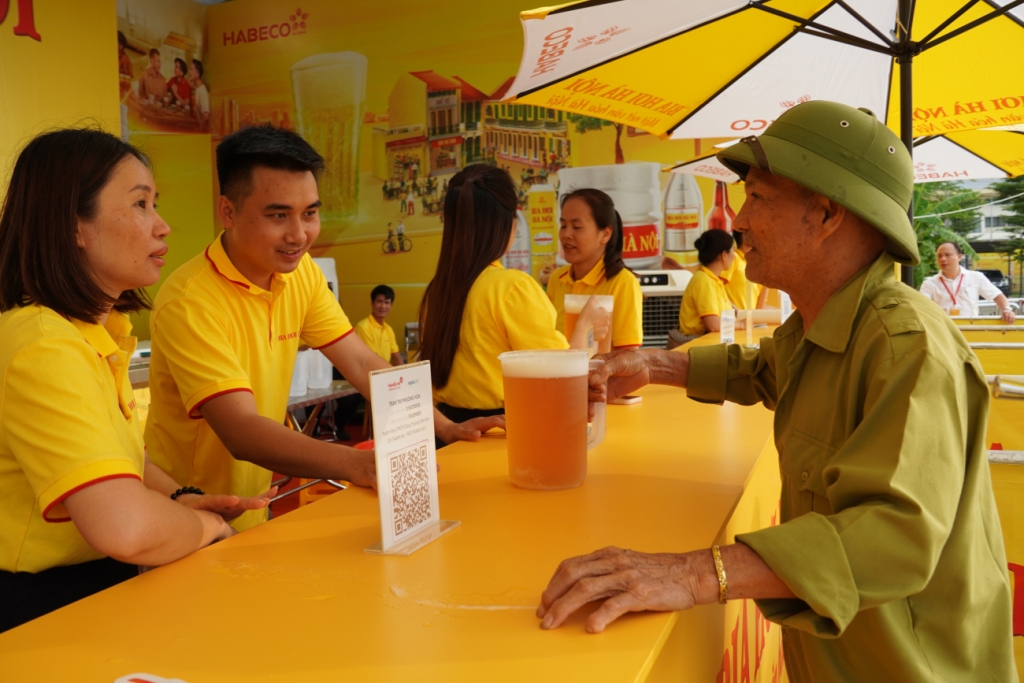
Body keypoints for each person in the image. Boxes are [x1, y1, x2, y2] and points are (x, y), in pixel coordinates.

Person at [537, 102, 1015, 682]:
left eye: (758, 198)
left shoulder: (906, 345)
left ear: (827, 213)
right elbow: (768, 370)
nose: (738, 221)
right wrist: (655, 364)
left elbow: (896, 535)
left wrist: (691, 574)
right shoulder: (826, 323)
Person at [145, 125, 500, 531]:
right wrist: (356, 463)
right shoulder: (190, 300)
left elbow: (361, 362)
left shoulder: (300, 274)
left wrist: (445, 427)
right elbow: (240, 430)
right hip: (183, 514)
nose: (299, 235)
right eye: (278, 215)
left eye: (310, 213)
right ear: (228, 211)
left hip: (251, 509)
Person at [0, 129, 271, 632]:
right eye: (140, 204)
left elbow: (118, 457)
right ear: (73, 226)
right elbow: (123, 526)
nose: (162, 226)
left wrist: (179, 498)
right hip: (39, 607)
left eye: (155, 204)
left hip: (92, 586)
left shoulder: (97, 334)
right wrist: (205, 525)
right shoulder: (44, 344)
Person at [418, 164, 609, 432]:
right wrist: (585, 325)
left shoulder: (437, 290)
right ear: (510, 224)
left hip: (445, 431)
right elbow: (559, 379)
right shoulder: (513, 287)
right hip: (502, 431)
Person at [546, 188, 643, 350]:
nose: (566, 234)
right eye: (563, 225)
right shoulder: (557, 278)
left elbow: (628, 355)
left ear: (605, 234)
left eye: (577, 227)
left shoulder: (622, 283)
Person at [920, 241, 1016, 323]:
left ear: (959, 257)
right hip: (944, 329)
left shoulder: (976, 277)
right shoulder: (929, 284)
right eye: (939, 256)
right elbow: (922, 307)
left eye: (947, 255)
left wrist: (1007, 309)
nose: (943, 259)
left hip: (970, 328)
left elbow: (997, 295)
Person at [677, 230, 743, 337]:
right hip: (698, 343)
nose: (734, 256)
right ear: (724, 255)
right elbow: (714, 325)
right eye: (732, 250)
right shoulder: (704, 281)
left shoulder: (712, 279)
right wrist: (740, 325)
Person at [722, 231, 768, 310]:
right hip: (732, 316)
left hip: (749, 317)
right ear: (746, 241)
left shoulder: (754, 267)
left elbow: (759, 308)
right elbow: (716, 289)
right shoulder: (734, 258)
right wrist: (735, 311)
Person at [188, 59, 210, 131]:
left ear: (197, 74)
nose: (189, 71)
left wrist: (199, 131)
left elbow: (206, 116)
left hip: (202, 131)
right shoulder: (197, 88)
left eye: (191, 69)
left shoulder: (203, 92)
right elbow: (195, 87)